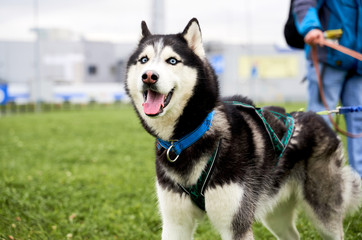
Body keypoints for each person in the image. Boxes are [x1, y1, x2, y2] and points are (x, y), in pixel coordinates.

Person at [292, 0, 362, 176]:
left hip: (357, 63)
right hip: (328, 55)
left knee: (359, 120)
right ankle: (317, 180)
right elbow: (304, 3)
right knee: (320, 121)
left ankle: (358, 182)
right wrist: (311, 27)